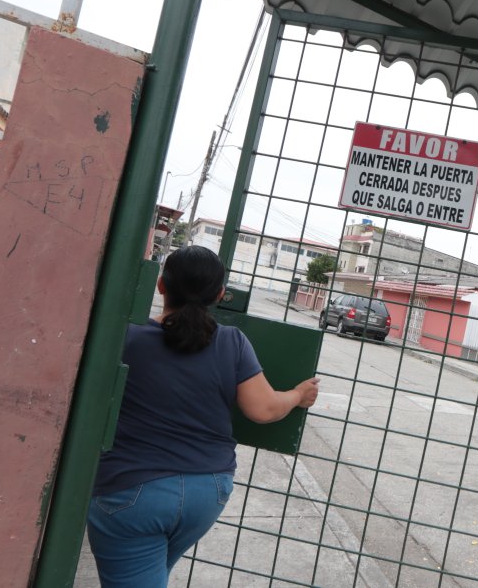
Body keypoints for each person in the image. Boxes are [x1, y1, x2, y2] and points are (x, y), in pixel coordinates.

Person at [86, 246, 319, 587]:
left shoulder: (127, 338)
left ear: (161, 286)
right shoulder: (232, 342)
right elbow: (264, 409)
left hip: (131, 493)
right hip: (207, 491)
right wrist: (298, 395)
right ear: (221, 294)